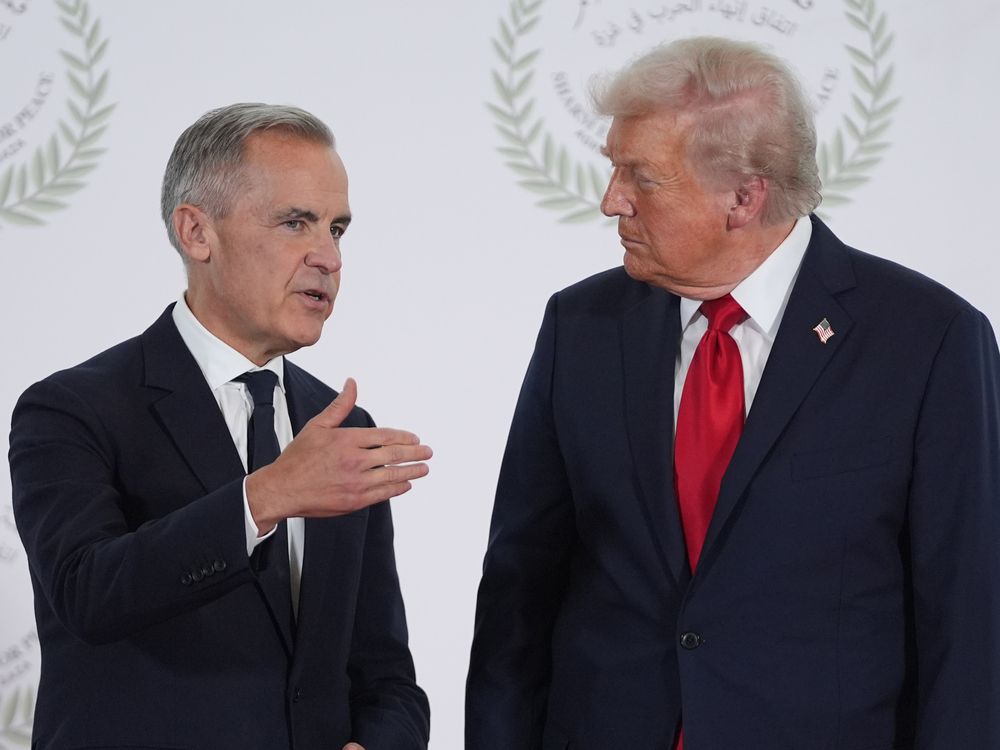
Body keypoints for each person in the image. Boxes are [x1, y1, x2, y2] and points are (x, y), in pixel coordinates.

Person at [466, 37, 1000, 749]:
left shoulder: (928, 340)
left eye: (641, 177)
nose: (611, 200)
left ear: (744, 198)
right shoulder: (582, 325)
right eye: (613, 168)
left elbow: (968, 621)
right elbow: (519, 593)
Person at [10, 103, 432, 750]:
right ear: (196, 233)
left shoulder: (343, 430)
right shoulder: (72, 408)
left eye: (337, 229)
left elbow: (383, 672)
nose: (328, 257)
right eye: (295, 222)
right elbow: (88, 593)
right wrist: (265, 497)